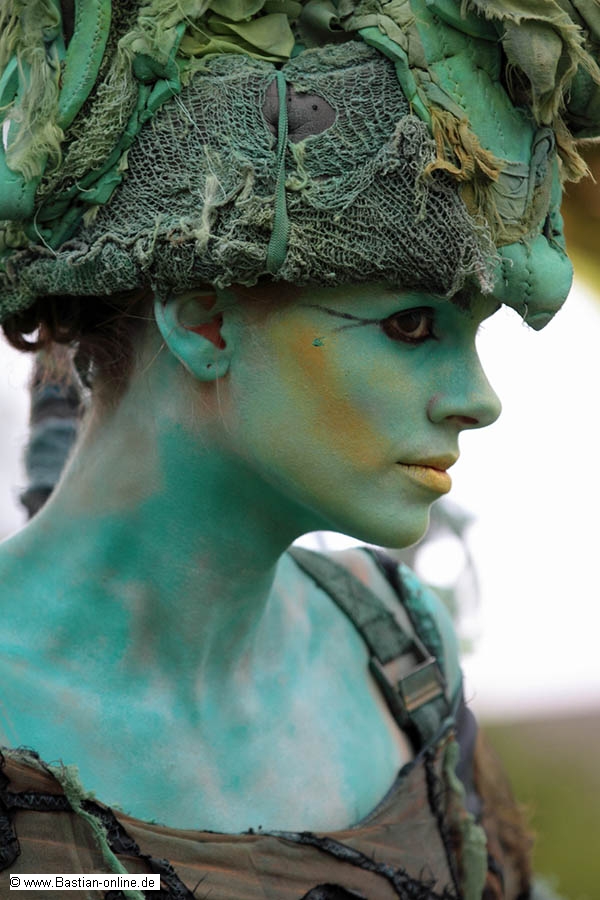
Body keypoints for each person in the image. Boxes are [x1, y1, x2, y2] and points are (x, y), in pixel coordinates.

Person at [0, 2, 598, 898]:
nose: (480, 401)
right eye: (410, 324)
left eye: (473, 334)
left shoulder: (402, 655)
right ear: (204, 320)